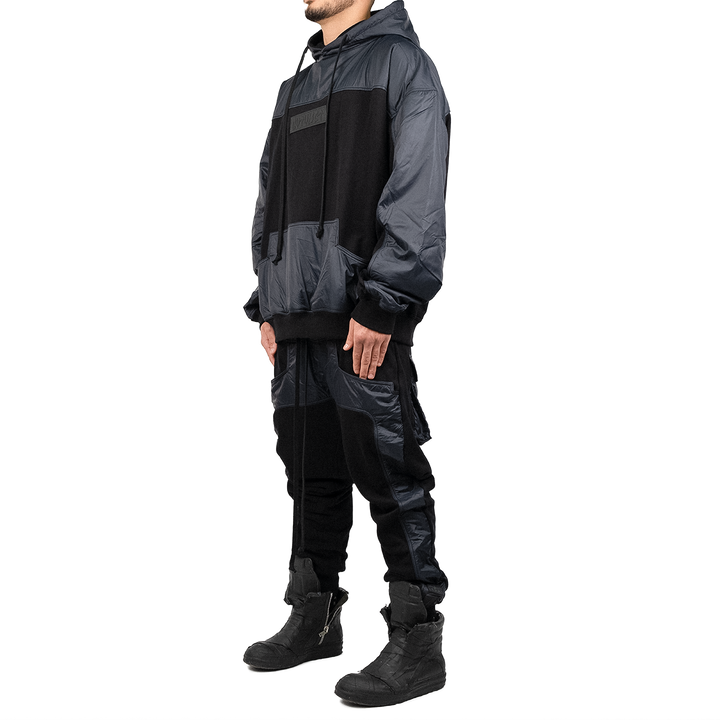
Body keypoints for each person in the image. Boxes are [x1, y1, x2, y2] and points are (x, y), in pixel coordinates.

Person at [240, 0, 453, 710]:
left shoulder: (403, 63)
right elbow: (268, 197)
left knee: (390, 471)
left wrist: (385, 301)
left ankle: (418, 641)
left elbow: (418, 190)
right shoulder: (294, 83)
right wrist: (266, 302)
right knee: (308, 472)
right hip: (293, 319)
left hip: (362, 315)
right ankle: (314, 615)